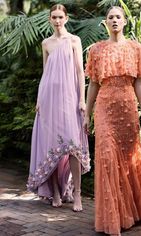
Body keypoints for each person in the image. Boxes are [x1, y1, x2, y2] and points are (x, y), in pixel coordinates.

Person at [84, 6, 141, 236]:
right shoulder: (96, 50)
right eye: (110, 17)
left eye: (118, 17)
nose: (114, 20)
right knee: (106, 158)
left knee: (127, 158)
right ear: (106, 22)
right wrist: (87, 114)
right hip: (104, 108)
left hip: (127, 109)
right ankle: (113, 216)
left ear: (124, 22)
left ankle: (130, 212)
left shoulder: (136, 48)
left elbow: (139, 84)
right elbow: (93, 83)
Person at [27, 4, 90, 212]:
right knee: (51, 146)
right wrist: (39, 100)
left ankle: (77, 194)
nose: (57, 20)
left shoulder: (74, 40)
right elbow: (45, 74)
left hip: (70, 98)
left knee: (72, 146)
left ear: (66, 18)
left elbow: (81, 72)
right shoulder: (46, 43)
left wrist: (82, 99)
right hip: (49, 99)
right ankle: (55, 192)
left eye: (60, 17)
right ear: (49, 19)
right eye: (53, 17)